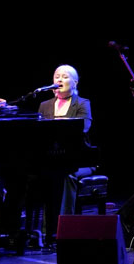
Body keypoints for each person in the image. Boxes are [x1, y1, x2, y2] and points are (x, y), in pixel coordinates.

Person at [33, 64, 95, 244]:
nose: (59, 80)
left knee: (67, 176)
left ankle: (64, 229)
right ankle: (41, 231)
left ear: (75, 82)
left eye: (65, 77)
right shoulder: (44, 105)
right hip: (52, 159)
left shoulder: (83, 103)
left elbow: (84, 127)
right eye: (56, 76)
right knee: (37, 177)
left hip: (79, 161)